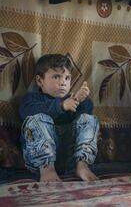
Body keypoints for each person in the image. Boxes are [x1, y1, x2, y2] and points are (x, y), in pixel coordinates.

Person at [19, 54, 99, 182]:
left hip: (71, 158)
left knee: (88, 119)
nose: (63, 82)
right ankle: (47, 169)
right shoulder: (32, 99)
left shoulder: (72, 99)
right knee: (37, 119)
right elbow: (27, 113)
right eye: (56, 77)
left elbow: (86, 118)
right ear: (40, 81)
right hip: (38, 161)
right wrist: (61, 105)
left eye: (67, 78)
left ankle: (82, 165)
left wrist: (81, 101)